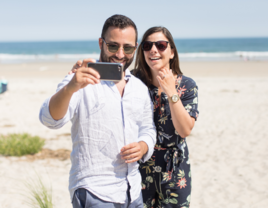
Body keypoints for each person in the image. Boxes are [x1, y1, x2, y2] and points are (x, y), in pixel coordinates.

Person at [39, 14, 156, 208]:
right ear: (101, 43)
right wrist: (70, 88)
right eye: (113, 46)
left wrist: (143, 146)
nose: (120, 54)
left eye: (127, 48)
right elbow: (49, 119)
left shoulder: (139, 88)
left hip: (133, 191)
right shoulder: (79, 79)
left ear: (135, 48)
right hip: (95, 191)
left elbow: (148, 129)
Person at [132, 26, 199, 208]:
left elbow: (184, 130)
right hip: (140, 165)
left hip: (174, 167)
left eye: (161, 45)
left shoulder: (187, 85)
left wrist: (171, 92)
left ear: (172, 53)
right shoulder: (132, 82)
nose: (153, 50)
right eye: (147, 45)